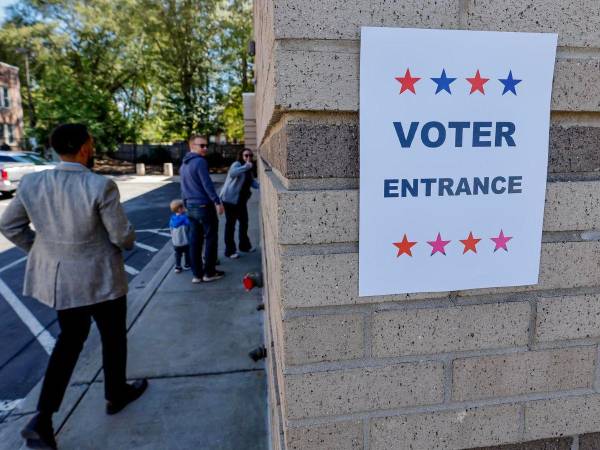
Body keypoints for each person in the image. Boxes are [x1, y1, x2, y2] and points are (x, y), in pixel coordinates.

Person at [0, 124, 148, 450]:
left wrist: (44, 250)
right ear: (84, 148)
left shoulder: (33, 182)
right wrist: (128, 235)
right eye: (91, 143)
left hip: (63, 284)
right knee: (112, 338)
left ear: (55, 149)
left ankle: (42, 418)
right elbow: (122, 236)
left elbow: (9, 226)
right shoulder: (100, 185)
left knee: (68, 344)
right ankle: (115, 393)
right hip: (103, 281)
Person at [179, 135, 225, 283]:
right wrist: (217, 202)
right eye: (201, 146)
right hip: (204, 206)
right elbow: (207, 185)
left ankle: (197, 275)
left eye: (206, 145)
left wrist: (185, 204)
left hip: (191, 207)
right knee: (211, 238)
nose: (205, 148)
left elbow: (183, 187)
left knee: (195, 241)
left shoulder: (184, 164)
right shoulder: (200, 162)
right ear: (192, 146)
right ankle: (209, 273)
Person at [220, 148, 259, 259]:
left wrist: (263, 187)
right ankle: (230, 251)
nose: (248, 158)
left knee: (244, 223)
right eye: (246, 155)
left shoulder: (249, 169)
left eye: (250, 155)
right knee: (230, 225)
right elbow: (232, 174)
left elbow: (252, 182)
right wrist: (245, 166)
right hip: (230, 200)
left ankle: (244, 246)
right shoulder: (237, 164)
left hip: (241, 201)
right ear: (241, 156)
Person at [169, 199, 191, 273]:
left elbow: (171, 229)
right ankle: (187, 264)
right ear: (180, 209)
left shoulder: (172, 219)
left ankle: (178, 267)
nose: (184, 208)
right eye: (183, 207)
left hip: (176, 242)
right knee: (187, 253)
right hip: (185, 241)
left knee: (178, 255)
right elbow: (189, 226)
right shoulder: (185, 218)